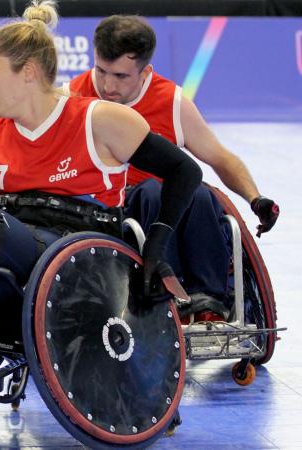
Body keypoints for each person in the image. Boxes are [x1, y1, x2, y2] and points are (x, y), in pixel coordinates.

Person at [0, 0, 202, 393]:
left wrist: (157, 247)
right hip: (12, 235)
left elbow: (186, 171)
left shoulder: (99, 118)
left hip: (78, 252)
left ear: (27, 72)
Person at [68, 15, 279, 319]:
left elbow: (219, 158)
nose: (107, 85)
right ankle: (167, 298)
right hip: (109, 210)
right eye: (100, 71)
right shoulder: (74, 96)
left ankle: (209, 299)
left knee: (201, 193)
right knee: (154, 192)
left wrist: (255, 199)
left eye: (120, 76)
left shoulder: (171, 101)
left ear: (146, 72)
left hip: (167, 205)